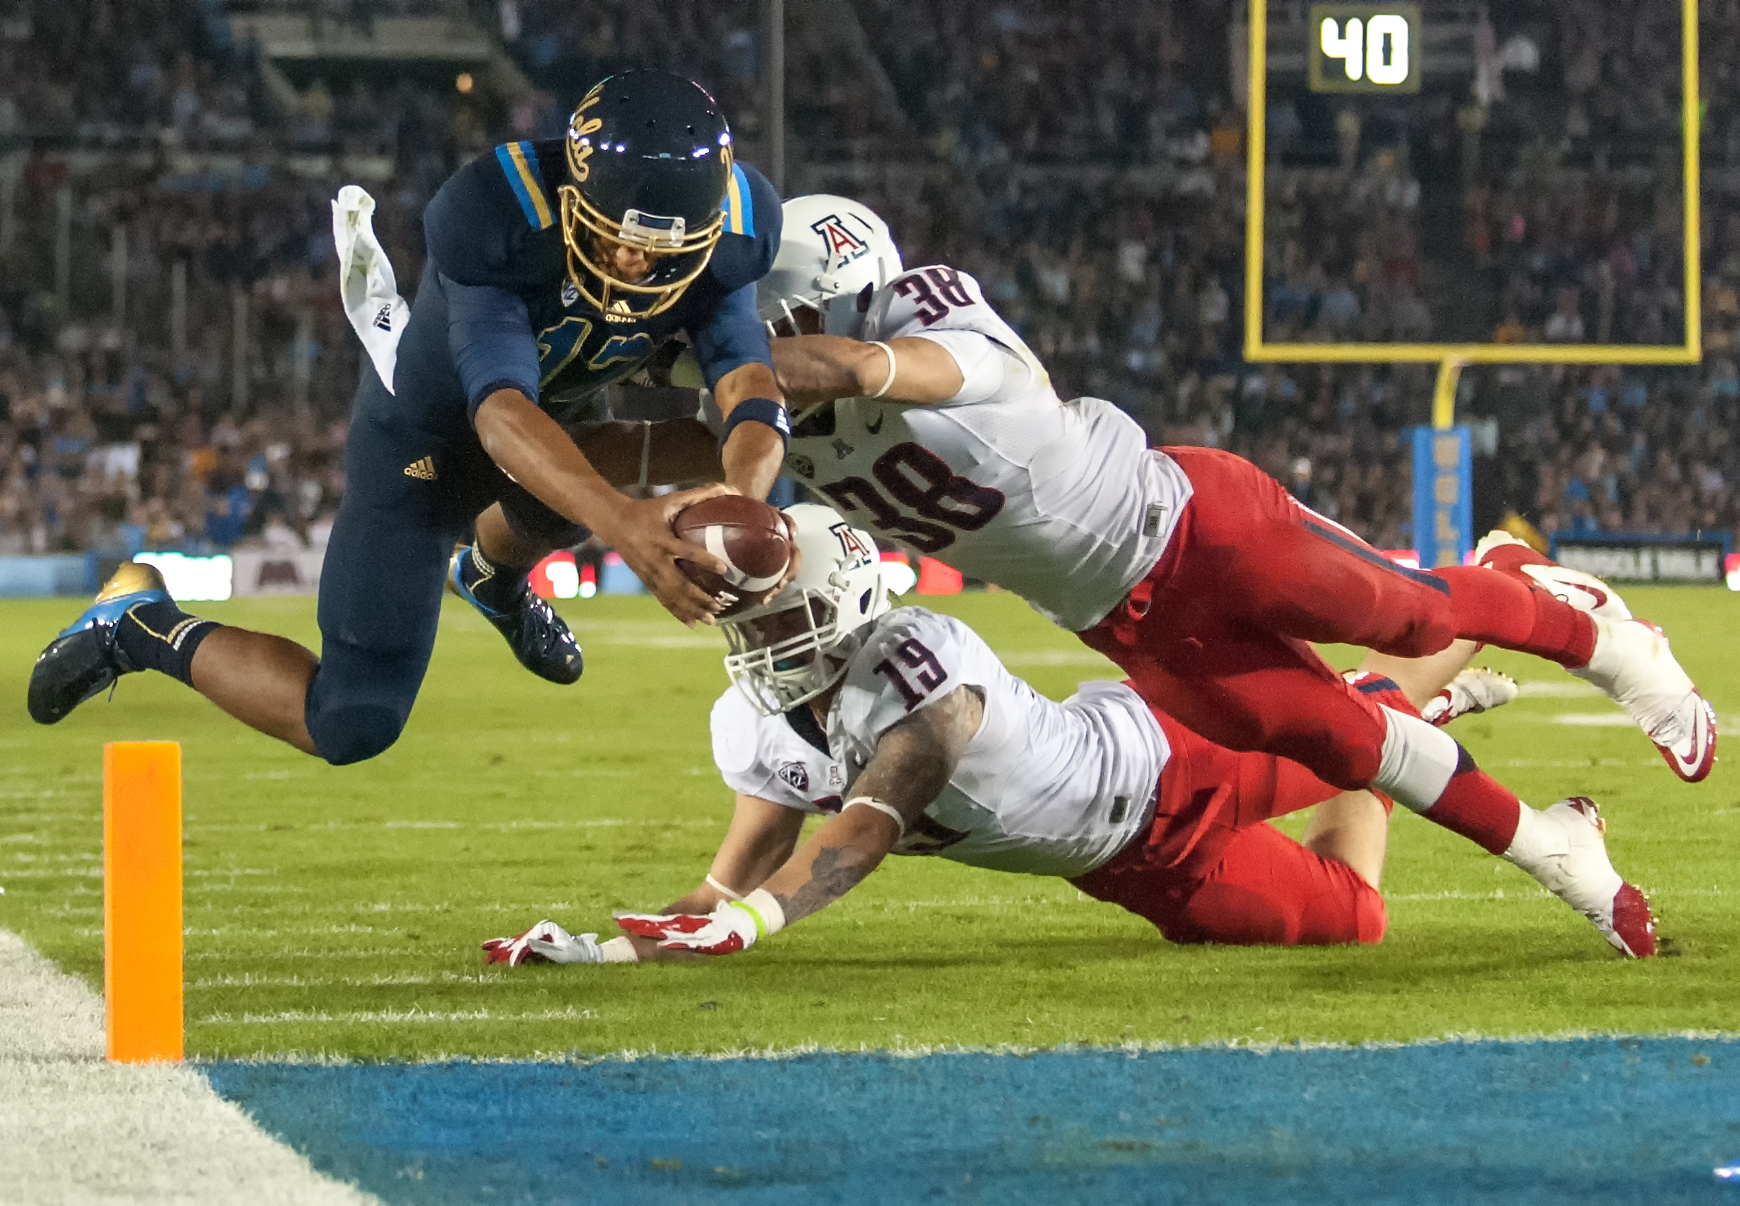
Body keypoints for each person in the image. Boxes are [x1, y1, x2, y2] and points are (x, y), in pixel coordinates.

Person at [562, 193, 1712, 918]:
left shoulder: (942, 340)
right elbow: (660, 441)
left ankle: (1572, 616)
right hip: (1126, 627)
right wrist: (540, 443)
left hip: (1199, 526)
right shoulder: (789, 400)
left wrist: (732, 365)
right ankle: (1555, 852)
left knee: (1409, 616)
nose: (757, 357)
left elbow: (862, 375)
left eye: (776, 332)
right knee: (1350, 740)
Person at [480, 504, 1654, 968]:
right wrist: (623, 949)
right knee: (1355, 922)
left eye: (780, 613)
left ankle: (1485, 599)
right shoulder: (748, 720)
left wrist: (753, 918)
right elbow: (730, 875)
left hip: (1163, 755)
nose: (760, 635)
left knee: (1356, 730)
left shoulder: (920, 665)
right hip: (1122, 866)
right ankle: (1403, 727)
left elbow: (869, 826)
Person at [27, 72, 792, 766]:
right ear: (574, 190)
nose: (632, 265)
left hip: (561, 432)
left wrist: (745, 498)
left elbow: (748, 380)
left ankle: (491, 578)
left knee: (668, 455)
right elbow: (498, 413)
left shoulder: (740, 227)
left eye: (659, 249)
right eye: (613, 236)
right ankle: (137, 622)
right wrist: (630, 528)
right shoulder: (498, 209)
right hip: (428, 442)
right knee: (353, 721)